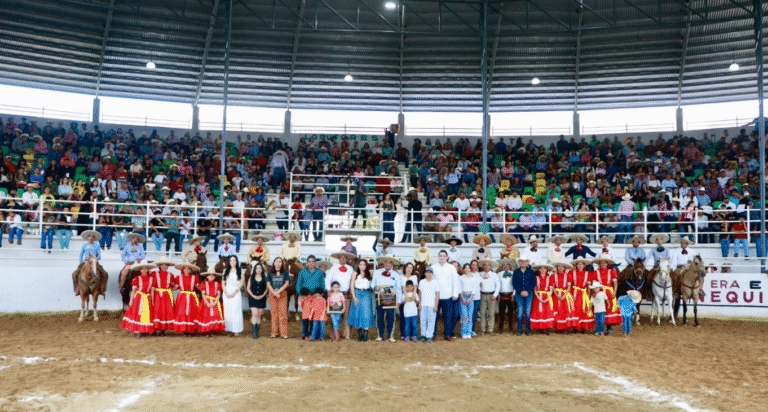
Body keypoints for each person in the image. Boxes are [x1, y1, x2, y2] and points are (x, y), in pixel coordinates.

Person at [121, 262, 157, 336]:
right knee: (139, 313)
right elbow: (133, 291)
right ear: (140, 270)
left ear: (148, 269)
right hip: (139, 298)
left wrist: (153, 300)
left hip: (147, 298)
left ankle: (146, 330)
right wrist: (131, 300)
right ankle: (139, 330)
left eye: (146, 268)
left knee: (146, 314)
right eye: (142, 268)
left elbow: (152, 291)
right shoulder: (137, 279)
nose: (144, 270)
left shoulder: (152, 279)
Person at [372, 256, 402, 342]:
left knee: (391, 317)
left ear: (392, 264)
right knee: (379, 317)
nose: (388, 264)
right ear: (383, 263)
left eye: (390, 262)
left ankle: (390, 335)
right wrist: (375, 287)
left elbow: (399, 288)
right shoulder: (377, 272)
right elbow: (372, 283)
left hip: (391, 299)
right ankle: (380, 335)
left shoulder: (396, 274)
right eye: (386, 262)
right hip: (380, 298)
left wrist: (399, 301)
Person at [327, 251, 355, 339]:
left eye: (345, 257)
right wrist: (329, 290)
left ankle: (347, 334)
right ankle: (333, 334)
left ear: (347, 259)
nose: (343, 259)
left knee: (346, 315)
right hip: (335, 294)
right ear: (339, 258)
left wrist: (351, 290)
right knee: (334, 314)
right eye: (341, 257)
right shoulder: (333, 268)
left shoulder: (350, 268)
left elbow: (352, 280)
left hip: (346, 294)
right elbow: (328, 280)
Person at [433, 250, 460, 341]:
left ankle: (447, 334)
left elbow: (455, 282)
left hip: (448, 296)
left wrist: (455, 294)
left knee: (448, 317)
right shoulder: (433, 267)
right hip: (436, 297)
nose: (442, 257)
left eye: (444, 255)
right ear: (438, 257)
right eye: (440, 255)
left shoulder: (451, 267)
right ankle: (433, 334)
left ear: (447, 257)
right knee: (434, 317)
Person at [589, 258, 621, 334]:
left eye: (604, 263)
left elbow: (615, 283)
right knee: (599, 308)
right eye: (601, 263)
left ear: (607, 264)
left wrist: (614, 292)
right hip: (599, 292)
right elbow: (594, 284)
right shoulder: (596, 272)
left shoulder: (611, 271)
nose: (602, 264)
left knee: (609, 309)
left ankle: (609, 328)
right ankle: (600, 329)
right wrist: (593, 292)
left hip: (609, 292)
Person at [348, 259, 375, 341]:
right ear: (358, 265)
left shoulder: (369, 273)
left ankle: (366, 333)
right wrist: (354, 296)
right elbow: (352, 286)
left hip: (367, 293)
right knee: (358, 312)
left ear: (366, 266)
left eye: (364, 264)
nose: (362, 266)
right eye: (361, 264)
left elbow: (372, 284)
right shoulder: (355, 274)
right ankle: (360, 334)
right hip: (357, 293)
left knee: (366, 313)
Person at [75, 230, 107, 296]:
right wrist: (81, 262)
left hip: (94, 262)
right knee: (74, 273)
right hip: (86, 262)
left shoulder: (97, 246)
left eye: (93, 237)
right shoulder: (84, 245)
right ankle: (77, 289)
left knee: (104, 273)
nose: (91, 238)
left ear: (94, 239)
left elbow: (99, 256)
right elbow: (81, 254)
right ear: (87, 238)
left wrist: (94, 258)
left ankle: (102, 289)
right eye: (90, 237)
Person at [172, 262, 200, 335]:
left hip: (192, 297)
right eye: (185, 268)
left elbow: (198, 287)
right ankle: (184, 329)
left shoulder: (195, 277)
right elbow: (175, 287)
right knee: (182, 312)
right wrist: (166, 289)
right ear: (183, 270)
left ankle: (191, 329)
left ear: (191, 270)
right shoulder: (179, 278)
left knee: (192, 312)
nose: (187, 270)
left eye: (188, 269)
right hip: (182, 297)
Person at [119, 233, 146, 308]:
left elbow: (143, 255)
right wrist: (126, 261)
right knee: (124, 272)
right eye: (134, 238)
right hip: (129, 263)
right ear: (131, 239)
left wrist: (140, 259)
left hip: (137, 263)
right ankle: (123, 286)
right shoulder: (127, 246)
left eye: (137, 239)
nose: (135, 240)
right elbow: (123, 255)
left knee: (146, 271)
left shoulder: (140, 247)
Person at [267, 257, 292, 339]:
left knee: (283, 314)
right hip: (272, 294)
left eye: (279, 261)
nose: (278, 263)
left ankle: (284, 333)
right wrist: (274, 292)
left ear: (282, 263)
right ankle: (274, 332)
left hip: (282, 294)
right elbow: (268, 284)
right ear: (274, 263)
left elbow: (287, 283)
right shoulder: (270, 273)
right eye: (276, 261)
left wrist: (279, 292)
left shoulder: (285, 273)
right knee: (274, 314)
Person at [150, 256, 176, 334]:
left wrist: (171, 291)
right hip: (157, 294)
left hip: (166, 295)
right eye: (162, 265)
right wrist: (152, 297)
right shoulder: (154, 274)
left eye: (165, 265)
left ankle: (163, 330)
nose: (164, 267)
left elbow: (172, 286)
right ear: (159, 266)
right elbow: (152, 286)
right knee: (157, 310)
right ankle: (154, 328)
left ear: (168, 266)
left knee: (165, 311)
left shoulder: (170, 275)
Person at [569, 258, 595, 332]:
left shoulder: (588, 274)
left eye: (581, 264)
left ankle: (583, 326)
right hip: (575, 293)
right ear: (576, 265)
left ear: (584, 265)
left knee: (584, 309)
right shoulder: (572, 273)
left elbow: (588, 287)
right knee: (576, 309)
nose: (580, 266)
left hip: (584, 293)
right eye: (578, 264)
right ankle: (576, 327)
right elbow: (570, 285)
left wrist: (589, 295)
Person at [222, 255, 245, 336]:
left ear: (236, 261)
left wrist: (235, 291)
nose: (232, 262)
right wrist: (226, 292)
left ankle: (236, 331)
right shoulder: (225, 271)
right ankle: (230, 329)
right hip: (227, 292)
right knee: (228, 311)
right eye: (231, 260)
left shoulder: (240, 271)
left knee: (236, 310)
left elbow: (241, 282)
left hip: (236, 292)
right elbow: (223, 282)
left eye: (234, 260)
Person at [512, 257, 536, 336]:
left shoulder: (531, 272)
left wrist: (528, 291)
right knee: (520, 312)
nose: (523, 263)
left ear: (527, 262)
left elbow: (533, 283)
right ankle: (519, 330)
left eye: (525, 261)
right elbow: (514, 283)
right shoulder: (516, 272)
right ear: (519, 262)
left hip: (529, 294)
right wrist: (520, 291)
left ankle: (528, 330)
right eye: (521, 261)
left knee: (528, 312)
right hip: (519, 294)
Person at [551, 261, 577, 332]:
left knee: (565, 311)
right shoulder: (553, 276)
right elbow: (552, 287)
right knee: (557, 310)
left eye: (562, 267)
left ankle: (565, 328)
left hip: (565, 294)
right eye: (559, 266)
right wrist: (557, 295)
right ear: (557, 267)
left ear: (564, 268)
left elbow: (569, 287)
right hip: (556, 295)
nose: (560, 268)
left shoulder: (568, 275)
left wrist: (564, 295)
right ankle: (558, 327)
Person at [197, 270, 225, 335]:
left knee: (215, 315)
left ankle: (213, 329)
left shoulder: (218, 284)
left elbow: (218, 294)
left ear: (215, 277)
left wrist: (215, 302)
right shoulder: (203, 284)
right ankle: (207, 330)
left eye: (213, 275)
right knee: (206, 315)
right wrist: (207, 303)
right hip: (206, 301)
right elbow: (203, 294)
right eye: (209, 275)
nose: (211, 277)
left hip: (215, 301)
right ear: (207, 276)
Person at [530, 263, 555, 334]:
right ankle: (539, 327)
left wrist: (548, 297)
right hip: (538, 296)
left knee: (547, 311)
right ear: (539, 270)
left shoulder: (549, 278)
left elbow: (551, 289)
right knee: (538, 311)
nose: (542, 270)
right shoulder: (536, 277)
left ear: (547, 270)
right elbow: (534, 289)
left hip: (546, 296)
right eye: (541, 268)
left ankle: (546, 327)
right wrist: (538, 298)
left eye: (544, 268)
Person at [477, 260, 500, 336]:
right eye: (485, 265)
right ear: (483, 266)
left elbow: (498, 286)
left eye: (488, 265)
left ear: (490, 266)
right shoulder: (480, 274)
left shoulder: (494, 275)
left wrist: (495, 295)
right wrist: (482, 278)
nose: (486, 266)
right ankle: (483, 329)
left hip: (491, 295)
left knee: (491, 313)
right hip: (482, 295)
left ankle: (490, 329)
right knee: (482, 313)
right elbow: (477, 284)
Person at [418, 266, 440, 343]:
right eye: (427, 272)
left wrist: (436, 305)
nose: (429, 274)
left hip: (431, 305)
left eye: (430, 272)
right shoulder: (421, 282)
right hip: (423, 304)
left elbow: (437, 294)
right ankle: (423, 335)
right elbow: (420, 293)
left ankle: (429, 336)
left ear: (432, 274)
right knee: (423, 320)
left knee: (431, 321)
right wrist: (419, 303)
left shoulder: (435, 282)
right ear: (425, 273)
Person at [496, 258, 517, 334]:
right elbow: (497, 285)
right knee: (501, 313)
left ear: (509, 265)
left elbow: (515, 284)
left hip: (510, 295)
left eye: (507, 264)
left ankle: (511, 329)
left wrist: (513, 294)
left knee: (511, 314)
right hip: (501, 295)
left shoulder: (513, 273)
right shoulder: (498, 274)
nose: (505, 266)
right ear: (502, 266)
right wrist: (497, 295)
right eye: (504, 264)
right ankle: (500, 329)